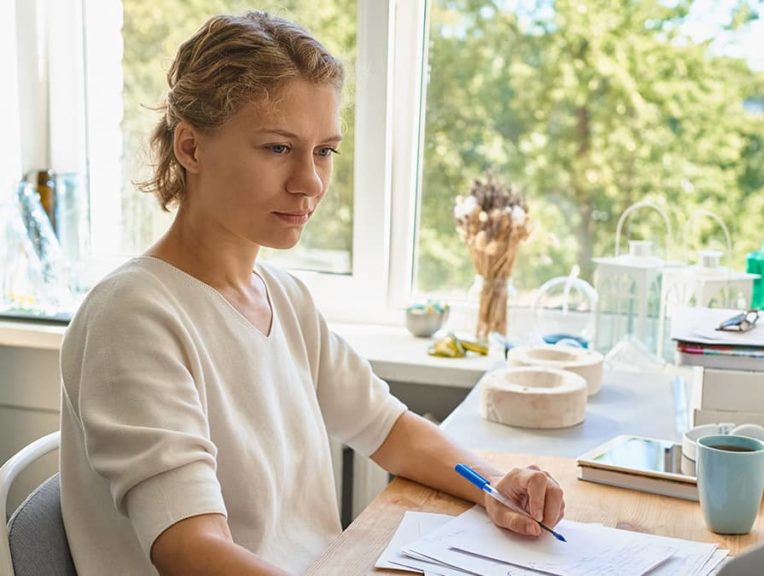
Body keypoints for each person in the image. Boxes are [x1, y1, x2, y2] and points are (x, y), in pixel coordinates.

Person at [59, 11, 564, 576]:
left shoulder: (284, 297)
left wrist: (495, 484)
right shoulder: (133, 316)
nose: (311, 182)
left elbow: (388, 428)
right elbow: (189, 551)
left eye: (324, 151)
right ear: (191, 148)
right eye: (278, 148)